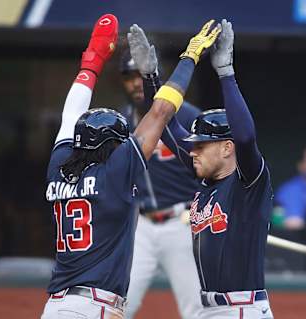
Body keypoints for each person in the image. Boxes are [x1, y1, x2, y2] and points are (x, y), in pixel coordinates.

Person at [40, 14, 220, 319]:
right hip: (94, 305)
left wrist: (93, 58)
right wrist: (189, 57)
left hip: (56, 304)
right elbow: (161, 112)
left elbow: (71, 115)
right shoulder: (115, 171)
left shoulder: (58, 164)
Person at [129, 20, 274, 318]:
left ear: (226, 147)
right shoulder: (205, 179)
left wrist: (226, 74)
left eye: (201, 145)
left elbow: (245, 136)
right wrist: (150, 80)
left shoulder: (248, 182)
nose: (192, 150)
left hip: (242, 309)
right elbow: (167, 126)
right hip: (210, 309)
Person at [119, 45, 203, 318]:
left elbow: (213, 170)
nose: (135, 83)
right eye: (129, 76)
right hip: (140, 225)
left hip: (182, 221)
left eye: (140, 75)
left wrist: (203, 208)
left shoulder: (189, 116)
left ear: (156, 78)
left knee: (197, 307)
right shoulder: (120, 121)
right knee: (119, 303)